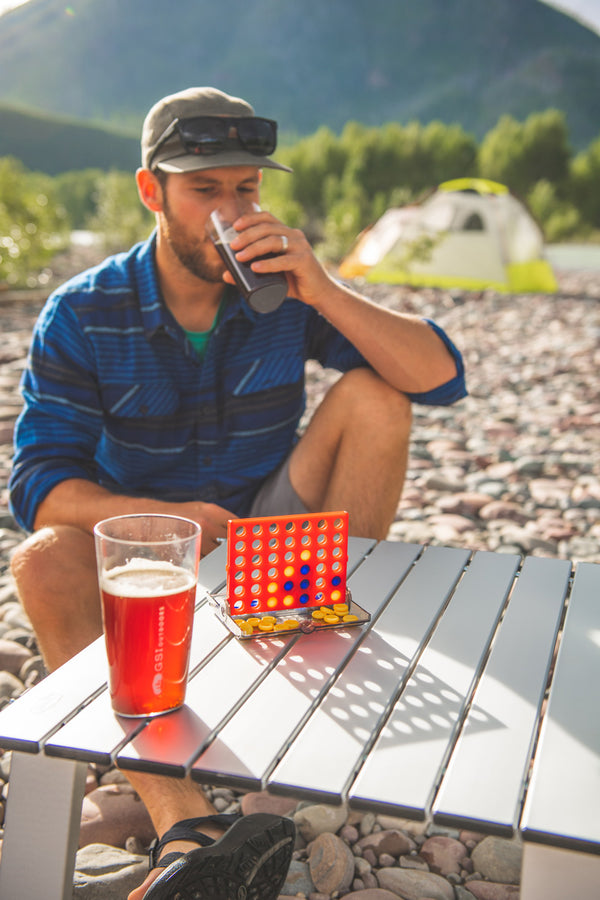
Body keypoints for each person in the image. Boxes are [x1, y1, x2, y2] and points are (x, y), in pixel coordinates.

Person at [8, 86, 466, 899]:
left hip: (272, 538)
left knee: (377, 397)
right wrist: (164, 523)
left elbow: (439, 378)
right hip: (151, 559)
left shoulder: (284, 291)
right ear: (152, 191)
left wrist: (322, 287)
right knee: (44, 561)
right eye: (205, 189)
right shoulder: (82, 312)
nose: (232, 208)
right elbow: (39, 486)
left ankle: (314, 683)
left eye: (246, 188)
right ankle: (183, 820)